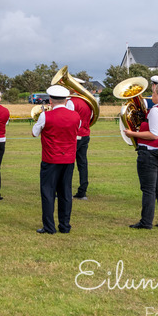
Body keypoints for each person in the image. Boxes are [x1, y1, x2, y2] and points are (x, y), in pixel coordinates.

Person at [123, 83, 158, 229]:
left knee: (148, 189)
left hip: (150, 152)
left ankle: (146, 222)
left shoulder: (156, 111)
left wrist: (132, 133)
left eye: (153, 93)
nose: (151, 96)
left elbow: (153, 134)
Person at [31, 84, 81, 234]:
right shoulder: (76, 116)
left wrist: (42, 115)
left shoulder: (45, 115)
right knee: (65, 193)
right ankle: (65, 226)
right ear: (66, 101)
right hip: (69, 159)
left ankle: (49, 227)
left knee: (48, 193)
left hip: (50, 159)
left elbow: (34, 133)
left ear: (51, 101)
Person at [66, 77, 94, 200]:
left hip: (74, 136)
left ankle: (65, 190)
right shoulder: (89, 102)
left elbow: (67, 120)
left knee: (68, 164)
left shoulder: (72, 102)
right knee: (82, 164)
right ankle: (82, 191)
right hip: (85, 134)